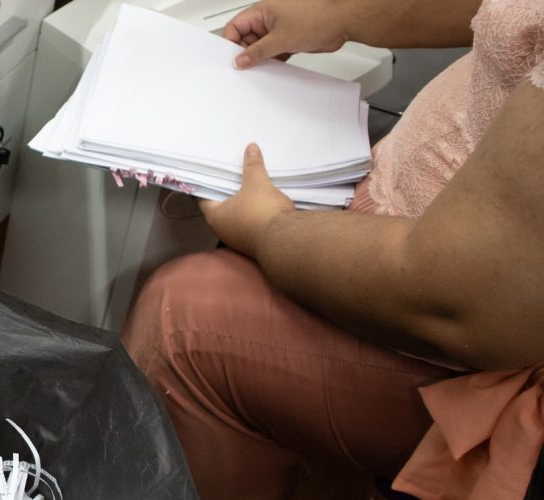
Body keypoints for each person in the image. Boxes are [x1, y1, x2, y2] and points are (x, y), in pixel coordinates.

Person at [121, 0, 544, 498]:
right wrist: (344, 15)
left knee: (184, 323)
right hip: (420, 227)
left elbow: (460, 299)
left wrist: (269, 229)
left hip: (478, 355)